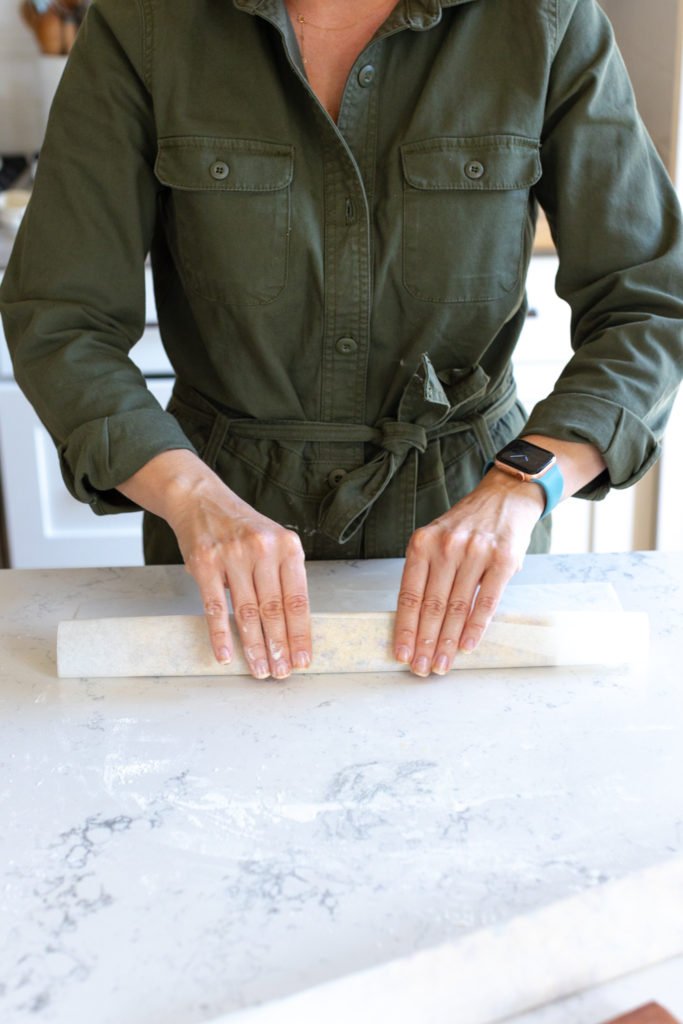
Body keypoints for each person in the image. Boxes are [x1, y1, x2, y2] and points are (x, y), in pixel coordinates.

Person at [1, 0, 682, 680]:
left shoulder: (543, 18)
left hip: (473, 543)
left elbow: (651, 301)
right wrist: (191, 499)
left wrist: (520, 487)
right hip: (219, 540)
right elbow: (62, 316)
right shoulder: (145, 22)